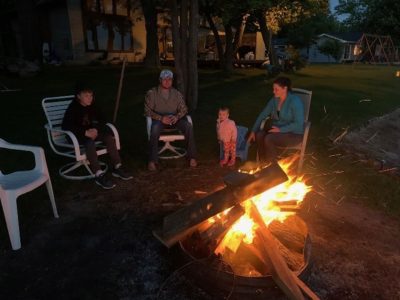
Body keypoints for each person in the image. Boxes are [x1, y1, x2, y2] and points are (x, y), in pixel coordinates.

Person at [62, 84, 132, 189]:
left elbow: (103, 118)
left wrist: (96, 129)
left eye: (91, 95)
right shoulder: (73, 108)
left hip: (92, 132)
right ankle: (98, 174)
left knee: (109, 138)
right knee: (89, 142)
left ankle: (117, 166)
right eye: (86, 96)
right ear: (78, 96)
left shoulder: (92, 105)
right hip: (77, 135)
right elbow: (66, 125)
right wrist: (85, 132)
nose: (90, 98)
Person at [144, 69, 197, 171]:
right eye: (165, 79)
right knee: (154, 129)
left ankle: (192, 157)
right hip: (159, 119)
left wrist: (177, 116)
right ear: (160, 80)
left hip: (174, 118)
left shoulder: (176, 94)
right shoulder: (152, 93)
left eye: (169, 79)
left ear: (172, 80)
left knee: (188, 126)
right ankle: (152, 160)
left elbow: (184, 109)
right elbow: (147, 111)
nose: (167, 81)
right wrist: (161, 118)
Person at [247, 77, 304, 164]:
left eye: (276, 89)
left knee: (269, 138)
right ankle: (263, 164)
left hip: (294, 134)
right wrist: (253, 131)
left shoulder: (295, 101)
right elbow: (263, 115)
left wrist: (281, 130)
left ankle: (273, 168)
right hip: (278, 131)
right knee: (259, 135)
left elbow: (299, 124)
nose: (273, 92)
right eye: (273, 89)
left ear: (285, 89)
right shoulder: (274, 100)